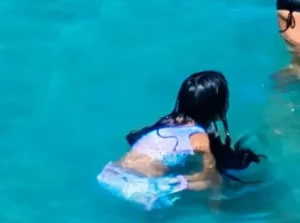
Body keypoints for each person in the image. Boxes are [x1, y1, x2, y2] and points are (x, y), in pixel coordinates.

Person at [98, 70, 260, 209]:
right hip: (145, 189)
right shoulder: (200, 138)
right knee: (213, 180)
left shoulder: (166, 122)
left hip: (110, 176)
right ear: (218, 108)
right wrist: (215, 203)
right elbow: (209, 178)